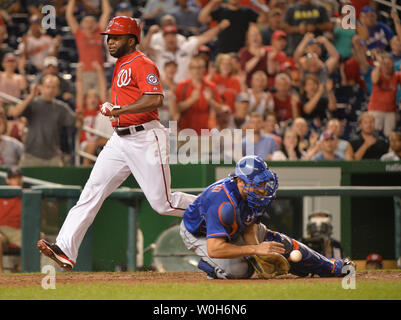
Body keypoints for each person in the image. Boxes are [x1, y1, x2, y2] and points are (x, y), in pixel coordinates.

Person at [36, 16, 197, 271]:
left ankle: (214, 208)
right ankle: (65, 249)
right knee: (91, 191)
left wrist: (119, 109)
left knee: (162, 204)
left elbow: (155, 99)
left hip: (146, 136)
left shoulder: (142, 63)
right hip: (119, 140)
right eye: (108, 37)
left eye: (116, 37)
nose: (109, 42)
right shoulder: (121, 63)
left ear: (132, 40)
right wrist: (116, 110)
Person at [180, 155, 354, 279]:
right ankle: (211, 267)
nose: (263, 189)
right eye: (258, 184)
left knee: (280, 244)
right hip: (200, 233)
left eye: (264, 183)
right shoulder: (223, 204)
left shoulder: (252, 196)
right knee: (241, 271)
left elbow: (248, 225)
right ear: (240, 181)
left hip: (234, 227)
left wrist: (258, 251)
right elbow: (215, 248)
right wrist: (255, 250)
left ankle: (330, 266)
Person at [7, 75, 79, 167]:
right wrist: (30, 96)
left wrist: (80, 118)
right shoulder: (33, 103)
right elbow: (15, 112)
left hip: (53, 156)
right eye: (48, 87)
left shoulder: (61, 108)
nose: (50, 90)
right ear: (41, 88)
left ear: (57, 90)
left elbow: (76, 124)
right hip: (30, 155)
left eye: (54, 87)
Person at [143, 20, 230, 84]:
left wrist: (220, 27)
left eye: (173, 35)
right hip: (165, 89)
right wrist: (150, 33)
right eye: (167, 36)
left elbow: (205, 37)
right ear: (164, 39)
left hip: (186, 87)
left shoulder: (186, 47)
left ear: (177, 37)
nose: (171, 38)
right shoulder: (159, 51)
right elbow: (143, 48)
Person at [66, 0, 112, 93]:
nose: (89, 24)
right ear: (82, 24)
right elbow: (69, 15)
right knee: (83, 101)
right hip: (84, 72)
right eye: (87, 22)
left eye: (92, 22)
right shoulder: (79, 34)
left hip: (99, 71)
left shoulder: (98, 32)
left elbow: (106, 12)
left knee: (102, 101)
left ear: (96, 24)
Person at [175, 54, 223, 134]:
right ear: (190, 69)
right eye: (194, 68)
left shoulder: (211, 86)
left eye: (200, 67)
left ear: (204, 69)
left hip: (205, 131)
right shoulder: (182, 86)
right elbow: (176, 109)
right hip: (185, 131)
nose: (197, 71)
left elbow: (219, 109)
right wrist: (191, 100)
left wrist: (210, 100)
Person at [368, 52, 401, 137]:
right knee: (374, 135)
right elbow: (375, 80)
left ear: (393, 64)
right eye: (384, 63)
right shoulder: (375, 73)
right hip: (376, 110)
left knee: (389, 137)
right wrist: (378, 66)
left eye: (389, 63)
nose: (386, 66)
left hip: (390, 111)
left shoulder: (396, 75)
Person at [0, 166, 23, 273]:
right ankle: (1, 275)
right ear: (7, 180)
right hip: (2, 231)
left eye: (18, 177)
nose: (16, 180)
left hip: (18, 232)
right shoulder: (2, 194)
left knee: (39, 237)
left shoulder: (27, 195)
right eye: (13, 178)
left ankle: (21, 269)